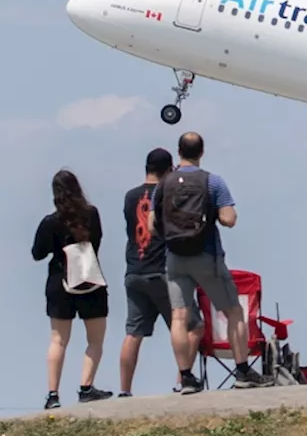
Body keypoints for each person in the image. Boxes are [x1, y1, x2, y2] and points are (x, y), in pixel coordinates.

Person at [150, 131, 270, 392]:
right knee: (233, 312)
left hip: (174, 258)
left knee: (179, 317)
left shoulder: (164, 184)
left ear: (179, 151)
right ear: (201, 152)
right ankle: (242, 371)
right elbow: (228, 218)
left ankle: (186, 377)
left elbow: (151, 225)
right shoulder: (213, 182)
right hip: (206, 256)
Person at [119, 148, 205, 397]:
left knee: (133, 333)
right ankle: (183, 380)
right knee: (192, 326)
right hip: (164, 271)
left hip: (135, 270)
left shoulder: (129, 196)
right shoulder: (168, 194)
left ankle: (125, 389)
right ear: (169, 169)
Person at [31, 170, 114, 409]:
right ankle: (86, 387)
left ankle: (53, 395)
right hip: (90, 280)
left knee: (58, 340)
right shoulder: (92, 214)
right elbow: (96, 242)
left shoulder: (51, 221)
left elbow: (37, 253)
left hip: (60, 282)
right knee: (95, 340)